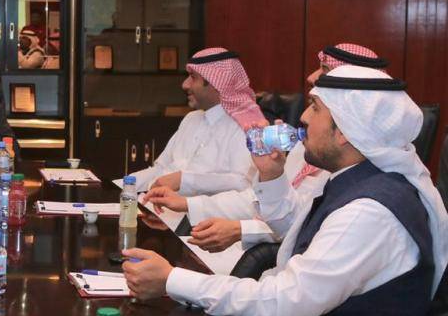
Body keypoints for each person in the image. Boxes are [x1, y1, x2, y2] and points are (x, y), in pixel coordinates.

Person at [124, 66, 448, 316]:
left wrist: (172, 280)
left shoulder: (370, 212)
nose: (303, 117)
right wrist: (271, 175)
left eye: (315, 107)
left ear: (346, 131)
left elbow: (283, 306)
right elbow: (295, 227)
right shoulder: (356, 179)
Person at [146, 43, 387, 252]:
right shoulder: (311, 145)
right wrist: (188, 204)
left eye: (324, 70)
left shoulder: (361, 174)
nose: (312, 77)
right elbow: (265, 201)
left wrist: (240, 229)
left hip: (266, 258)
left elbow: (307, 224)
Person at [128, 47, 259, 196]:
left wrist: (184, 180)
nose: (185, 85)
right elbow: (161, 169)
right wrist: (124, 186)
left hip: (203, 211)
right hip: (157, 206)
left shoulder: (247, 125)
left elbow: (243, 183)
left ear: (216, 82)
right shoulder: (191, 119)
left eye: (193, 77)